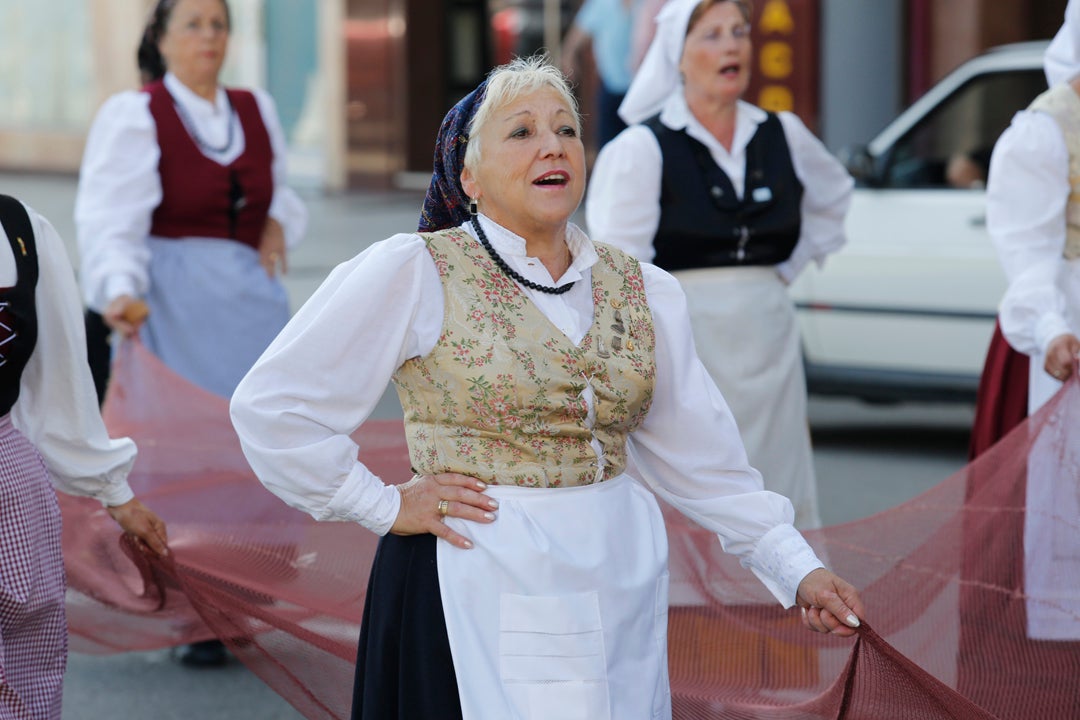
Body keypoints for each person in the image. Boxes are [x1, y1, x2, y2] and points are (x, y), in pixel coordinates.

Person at [230, 55, 864, 719]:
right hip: (470, 578)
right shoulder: (419, 273)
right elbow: (275, 406)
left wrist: (797, 569)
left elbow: (708, 467)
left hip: (614, 579)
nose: (553, 144)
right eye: (521, 132)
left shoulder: (639, 288)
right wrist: (381, 506)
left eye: (566, 129)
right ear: (467, 176)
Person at [74, 0, 307, 665]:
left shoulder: (253, 107)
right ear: (162, 39)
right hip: (175, 304)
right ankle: (194, 609)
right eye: (193, 25)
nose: (209, 38)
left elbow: (281, 191)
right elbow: (110, 215)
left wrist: (278, 222)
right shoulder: (136, 114)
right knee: (185, 457)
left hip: (251, 305)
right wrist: (119, 288)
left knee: (252, 448)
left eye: (218, 25)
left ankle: (242, 591)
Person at [584, 0, 852, 530]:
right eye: (711, 35)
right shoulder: (643, 148)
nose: (731, 45)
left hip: (768, 333)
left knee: (775, 468)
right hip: (686, 337)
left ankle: (780, 590)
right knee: (696, 472)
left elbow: (834, 196)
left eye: (738, 32)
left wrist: (782, 271)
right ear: (676, 56)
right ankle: (694, 604)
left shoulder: (783, 132)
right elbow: (618, 265)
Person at [0, 195, 169, 719]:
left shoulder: (20, 228)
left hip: (7, 480)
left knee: (23, 670)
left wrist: (114, 492)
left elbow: (57, 380)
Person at [983, 0, 1080, 639]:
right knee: (1062, 500)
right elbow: (1027, 249)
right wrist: (1049, 327)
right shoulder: (1046, 130)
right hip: (1069, 314)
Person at [560, 0, 638, 147]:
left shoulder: (649, 4)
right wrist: (568, 57)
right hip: (610, 85)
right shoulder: (601, 4)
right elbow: (579, 32)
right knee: (607, 142)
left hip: (640, 90)